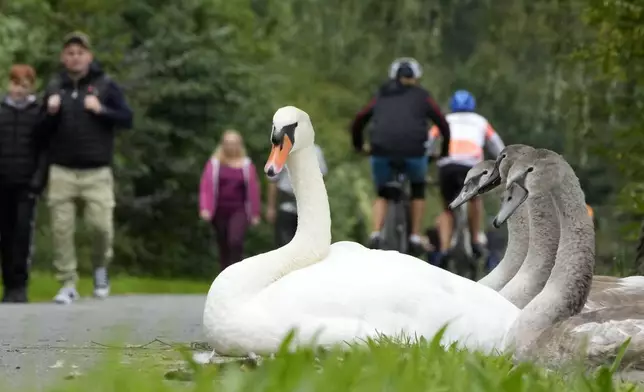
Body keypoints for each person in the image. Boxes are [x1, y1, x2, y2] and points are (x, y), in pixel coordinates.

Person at [43, 32, 134, 304]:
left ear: (89, 56)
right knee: (61, 229)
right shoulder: (54, 86)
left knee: (101, 228)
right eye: (70, 53)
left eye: (80, 52)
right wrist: (48, 112)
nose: (75, 57)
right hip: (61, 170)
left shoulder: (105, 85)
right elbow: (37, 131)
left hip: (97, 171)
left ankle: (99, 267)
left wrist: (101, 110)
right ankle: (68, 283)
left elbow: (127, 119)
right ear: (63, 58)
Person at [350, 57, 451, 254]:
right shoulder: (423, 96)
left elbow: (360, 118)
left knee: (382, 192)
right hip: (414, 152)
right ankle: (414, 235)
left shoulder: (381, 95)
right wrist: (444, 152)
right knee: (417, 189)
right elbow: (443, 125)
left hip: (381, 150)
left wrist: (359, 145)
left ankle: (376, 233)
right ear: (415, 77)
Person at [427, 89, 505, 267]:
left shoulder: (445, 119)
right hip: (472, 166)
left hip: (447, 166)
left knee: (447, 209)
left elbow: (429, 140)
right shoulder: (480, 121)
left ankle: (445, 250)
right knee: (474, 199)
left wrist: (430, 156)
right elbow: (496, 145)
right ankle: (476, 239)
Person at [0, 65, 51, 303]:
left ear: (32, 86)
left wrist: (37, 181)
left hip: (26, 184)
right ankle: (8, 283)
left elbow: (44, 149)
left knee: (22, 234)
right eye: (15, 83)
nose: (18, 89)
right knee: (5, 235)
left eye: (24, 84)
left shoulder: (38, 112)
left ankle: (19, 286)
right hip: (3, 183)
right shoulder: (1, 110)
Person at [199, 130, 261, 271]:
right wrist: (205, 208)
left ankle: (236, 271)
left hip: (239, 209)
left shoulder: (246, 165)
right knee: (223, 243)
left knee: (235, 241)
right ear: (222, 145)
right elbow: (205, 187)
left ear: (240, 145)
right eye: (227, 143)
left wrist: (255, 213)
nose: (231, 147)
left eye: (234, 143)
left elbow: (253, 190)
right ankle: (224, 273)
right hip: (219, 209)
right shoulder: (214, 164)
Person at [266, 144, 328, 247]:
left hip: (309, 206)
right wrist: (271, 207)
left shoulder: (316, 151)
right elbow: (273, 181)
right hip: (286, 204)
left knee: (308, 244)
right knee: (285, 243)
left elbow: (321, 180)